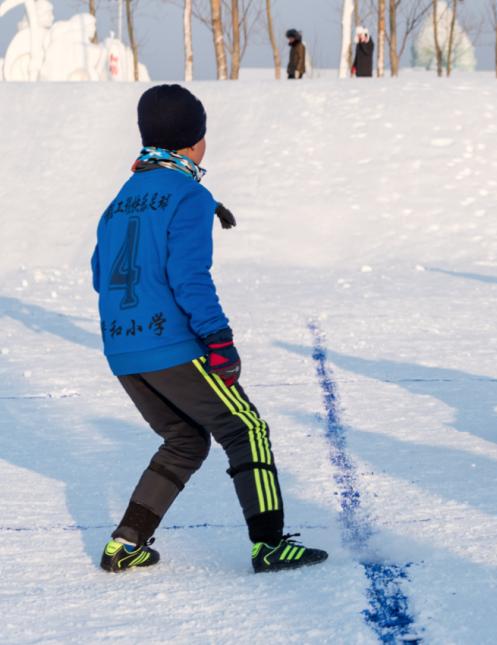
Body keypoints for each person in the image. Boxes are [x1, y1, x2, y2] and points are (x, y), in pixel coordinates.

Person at [92, 85, 327, 573]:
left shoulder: (121, 198)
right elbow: (189, 277)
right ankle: (269, 544)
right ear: (194, 141)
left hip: (123, 350)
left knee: (185, 440)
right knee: (246, 428)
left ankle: (125, 543)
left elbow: (100, 273)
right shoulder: (189, 195)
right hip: (171, 343)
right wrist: (219, 340)